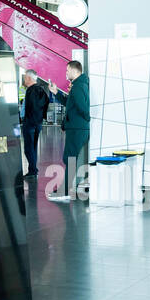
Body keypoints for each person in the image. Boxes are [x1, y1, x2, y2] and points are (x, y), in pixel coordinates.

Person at [51, 60, 90, 201]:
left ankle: (65, 191)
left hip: (77, 128)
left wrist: (85, 119)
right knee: (70, 158)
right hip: (78, 127)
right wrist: (56, 93)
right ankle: (66, 189)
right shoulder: (79, 84)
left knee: (70, 158)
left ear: (75, 70)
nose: (66, 73)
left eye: (67, 70)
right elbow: (71, 103)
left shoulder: (78, 86)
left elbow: (83, 107)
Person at [21, 69, 48, 177]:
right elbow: (45, 103)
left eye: (25, 77)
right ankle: (32, 169)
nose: (24, 79)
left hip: (30, 123)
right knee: (33, 147)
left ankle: (33, 170)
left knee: (28, 148)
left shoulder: (31, 90)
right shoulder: (41, 90)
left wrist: (29, 120)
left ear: (29, 78)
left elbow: (31, 107)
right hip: (38, 123)